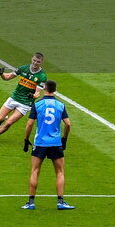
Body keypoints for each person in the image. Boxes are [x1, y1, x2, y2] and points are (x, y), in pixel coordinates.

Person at [21, 80, 75, 210]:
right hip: (55, 142)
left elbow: (29, 124)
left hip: (40, 142)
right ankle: (60, 202)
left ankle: (31, 202)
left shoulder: (37, 104)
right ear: (55, 90)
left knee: (35, 171)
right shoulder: (60, 105)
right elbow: (68, 124)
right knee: (60, 172)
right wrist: (64, 139)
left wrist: (26, 139)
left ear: (45, 89)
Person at [0, 53, 47, 143]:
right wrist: (1, 74)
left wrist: (32, 96)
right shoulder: (23, 68)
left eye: (38, 61)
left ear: (41, 62)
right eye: (34, 60)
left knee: (9, 122)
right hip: (14, 98)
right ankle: (0, 120)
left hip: (25, 103)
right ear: (31, 59)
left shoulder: (42, 76)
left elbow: (37, 93)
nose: (35, 63)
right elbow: (8, 77)